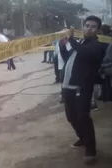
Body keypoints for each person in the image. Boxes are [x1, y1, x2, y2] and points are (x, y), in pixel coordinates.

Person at [62, 15, 108, 164]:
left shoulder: (96, 45)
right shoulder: (80, 42)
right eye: (87, 25)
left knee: (83, 117)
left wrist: (72, 39)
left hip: (82, 87)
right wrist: (64, 46)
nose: (89, 29)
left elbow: (84, 53)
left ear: (98, 30)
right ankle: (82, 137)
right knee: (71, 116)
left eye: (93, 27)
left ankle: (91, 150)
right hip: (67, 85)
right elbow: (70, 58)